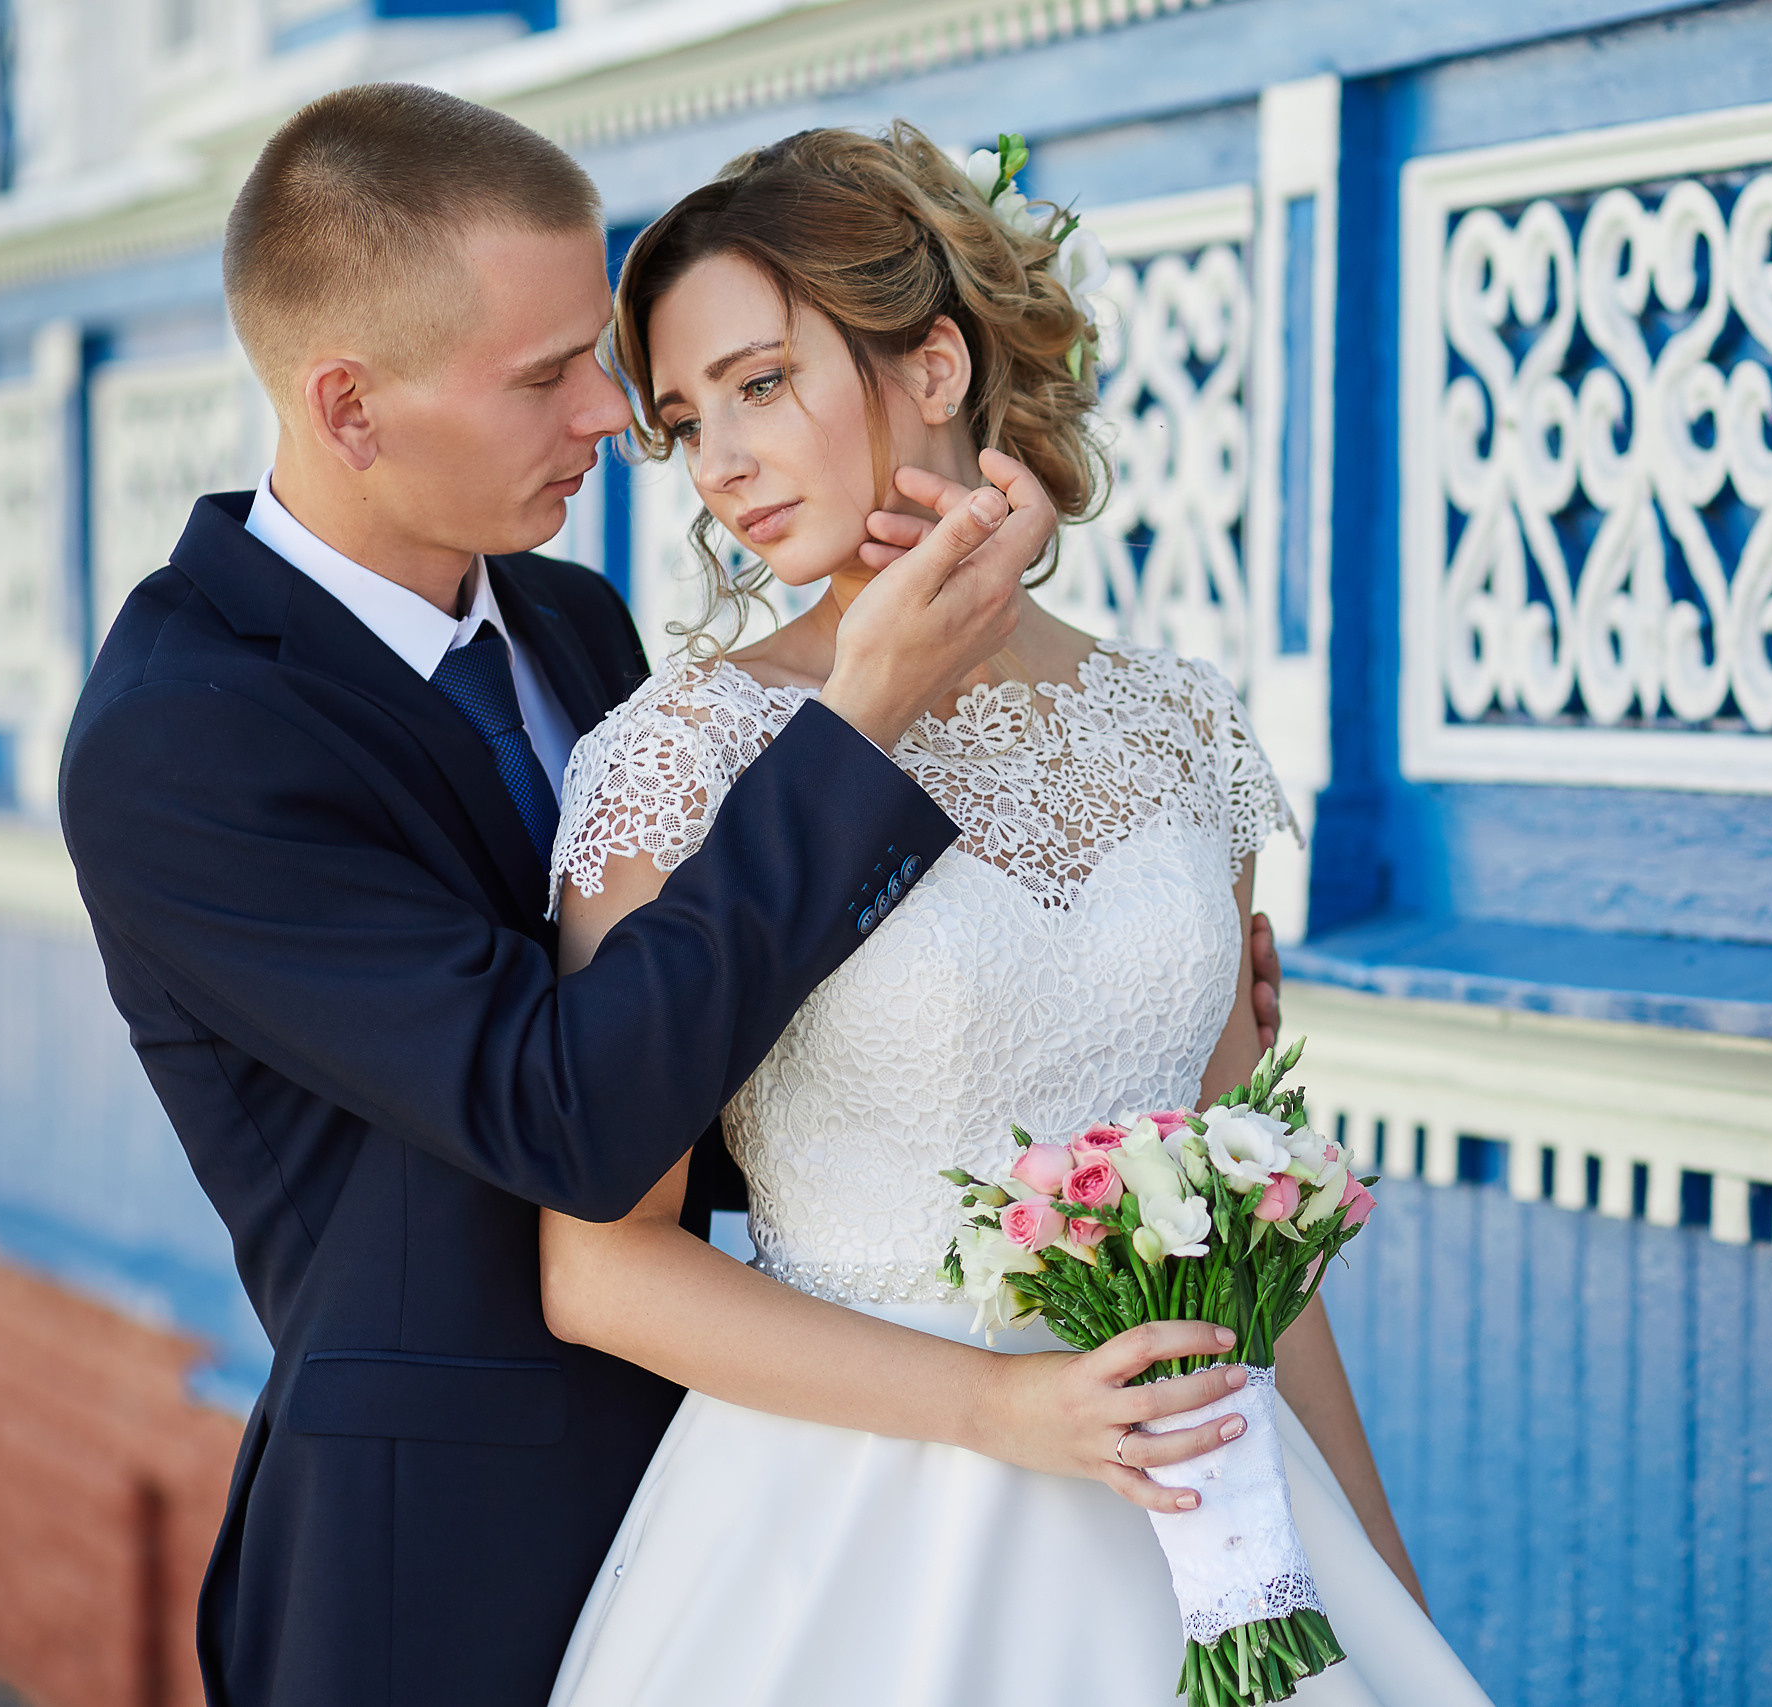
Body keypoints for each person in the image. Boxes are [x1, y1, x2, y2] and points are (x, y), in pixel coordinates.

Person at [58, 86, 1281, 1707]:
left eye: (616, 369)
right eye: (553, 376)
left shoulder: (566, 623)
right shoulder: (181, 737)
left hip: (771, 1468)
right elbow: (566, 1105)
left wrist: (1104, 1002)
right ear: (349, 408)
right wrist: (868, 717)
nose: (620, 428)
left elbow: (735, 1029)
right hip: (442, 1557)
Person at [534, 123, 1493, 1706]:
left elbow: (1247, 1228)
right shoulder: (674, 762)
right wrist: (1001, 1409)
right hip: (840, 1539)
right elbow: (602, 1271)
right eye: (689, 419)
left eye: (762, 384)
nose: (718, 464)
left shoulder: (1183, 731)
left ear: (931, 360)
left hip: (1199, 1503)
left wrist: (1377, 1589)